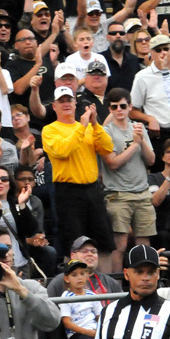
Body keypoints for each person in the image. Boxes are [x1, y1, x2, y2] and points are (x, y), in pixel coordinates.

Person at [41, 88, 115, 266]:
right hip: (68, 192)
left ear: (75, 104)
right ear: (54, 106)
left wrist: (95, 124)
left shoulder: (90, 128)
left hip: (92, 189)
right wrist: (82, 127)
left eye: (69, 100)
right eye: (62, 101)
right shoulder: (50, 130)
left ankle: (108, 289)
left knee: (103, 241)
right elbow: (63, 150)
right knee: (72, 243)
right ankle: (74, 288)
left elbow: (107, 147)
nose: (66, 104)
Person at [101, 87, 156, 272]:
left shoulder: (138, 128)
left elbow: (151, 160)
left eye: (122, 105)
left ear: (130, 106)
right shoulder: (106, 132)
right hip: (118, 194)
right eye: (114, 106)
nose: (119, 110)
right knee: (120, 245)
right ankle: (116, 288)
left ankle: (146, 281)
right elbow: (113, 164)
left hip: (142, 192)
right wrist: (135, 144)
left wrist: (141, 141)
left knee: (144, 244)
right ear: (109, 109)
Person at [47, 235, 123, 299]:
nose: (90, 254)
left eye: (93, 251)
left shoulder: (110, 282)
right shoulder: (59, 282)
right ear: (73, 256)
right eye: (84, 251)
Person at [59, 258, 101, 339]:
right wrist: (86, 332)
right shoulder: (66, 297)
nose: (79, 277)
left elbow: (101, 316)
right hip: (76, 335)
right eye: (74, 275)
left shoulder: (92, 295)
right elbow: (67, 323)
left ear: (87, 276)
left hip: (94, 332)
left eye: (82, 274)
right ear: (67, 279)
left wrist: (99, 331)